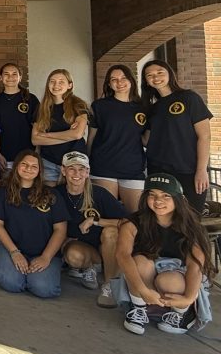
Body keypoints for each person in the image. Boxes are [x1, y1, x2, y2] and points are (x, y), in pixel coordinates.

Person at [114, 173, 215, 335]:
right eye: (152, 195)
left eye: (166, 195)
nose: (158, 201)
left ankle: (179, 313)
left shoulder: (191, 227)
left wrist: (188, 298)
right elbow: (122, 255)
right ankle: (138, 309)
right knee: (140, 261)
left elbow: (195, 265)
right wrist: (143, 290)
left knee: (170, 280)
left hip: (177, 281)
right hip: (143, 286)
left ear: (178, 199)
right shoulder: (133, 222)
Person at [0, 150, 69, 298]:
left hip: (44, 250)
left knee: (44, 289)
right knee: (12, 283)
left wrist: (46, 257)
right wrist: (14, 253)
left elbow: (60, 229)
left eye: (34, 166)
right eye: (24, 164)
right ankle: (20, 272)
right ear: (17, 166)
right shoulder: (2, 193)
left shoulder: (52, 194)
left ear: (39, 171)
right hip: (11, 248)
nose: (28, 168)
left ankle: (35, 274)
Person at [55, 151, 127, 308]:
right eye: (72, 168)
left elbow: (128, 222)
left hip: (106, 246)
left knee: (111, 232)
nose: (77, 174)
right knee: (73, 254)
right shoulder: (57, 194)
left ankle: (109, 286)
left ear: (88, 172)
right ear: (63, 170)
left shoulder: (99, 193)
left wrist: (96, 221)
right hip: (81, 247)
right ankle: (89, 268)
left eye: (81, 169)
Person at [140, 60, 213, 212]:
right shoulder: (152, 108)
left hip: (188, 170)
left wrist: (201, 170)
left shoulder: (189, 98)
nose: (156, 77)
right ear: (146, 81)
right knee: (162, 221)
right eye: (150, 75)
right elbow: (146, 140)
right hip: (158, 171)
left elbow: (205, 136)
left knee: (191, 221)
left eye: (160, 72)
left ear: (169, 74)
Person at [87, 64, 146, 213]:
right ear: (109, 84)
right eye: (114, 79)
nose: (119, 83)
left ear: (131, 80)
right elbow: (91, 137)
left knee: (137, 217)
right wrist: (87, 162)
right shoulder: (99, 106)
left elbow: (146, 140)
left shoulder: (143, 107)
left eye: (123, 78)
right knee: (108, 216)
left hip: (132, 167)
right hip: (103, 167)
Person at [31, 69, 89, 185]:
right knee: (50, 199)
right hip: (49, 161)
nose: (56, 85)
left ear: (70, 85)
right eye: (52, 81)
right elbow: (35, 140)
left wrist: (47, 135)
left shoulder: (78, 104)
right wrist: (68, 135)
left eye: (61, 81)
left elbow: (77, 134)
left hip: (74, 161)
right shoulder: (42, 108)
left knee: (73, 197)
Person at [0, 62, 39, 175]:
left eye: (14, 74)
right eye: (6, 74)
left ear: (20, 77)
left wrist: (37, 153)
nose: (10, 77)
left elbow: (38, 128)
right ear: (1, 77)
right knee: (7, 191)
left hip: (27, 158)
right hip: (4, 158)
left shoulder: (30, 99)